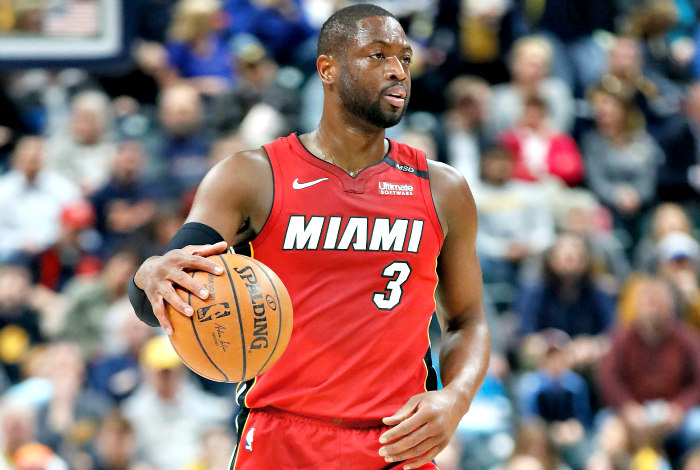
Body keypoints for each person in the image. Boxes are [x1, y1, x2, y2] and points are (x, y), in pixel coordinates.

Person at [129, 4, 490, 470]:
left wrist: (456, 398)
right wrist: (149, 273)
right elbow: (160, 294)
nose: (398, 70)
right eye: (377, 55)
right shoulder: (251, 177)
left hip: (397, 443)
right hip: (281, 439)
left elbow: (467, 320)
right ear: (328, 69)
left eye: (404, 57)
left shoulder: (442, 188)